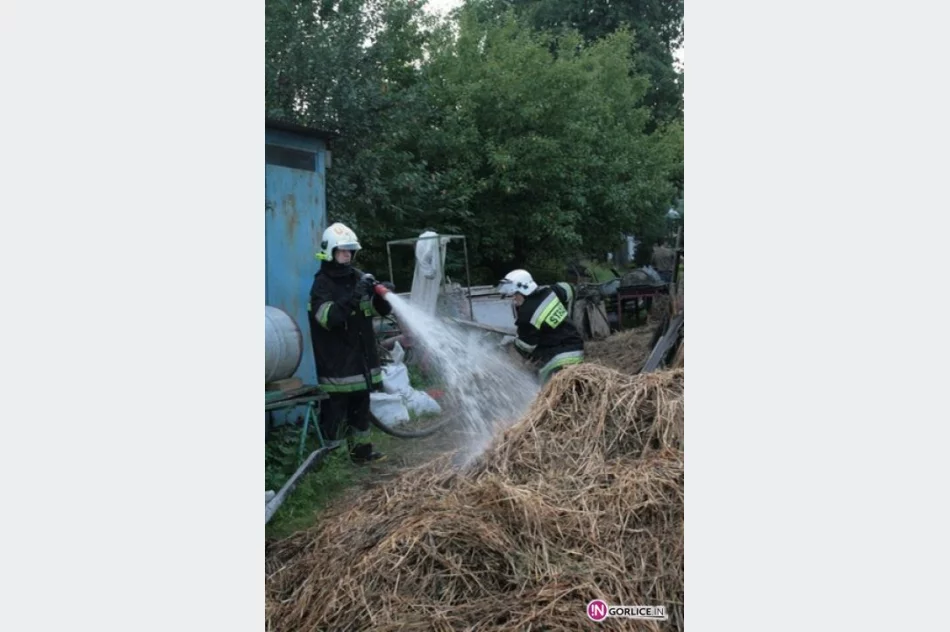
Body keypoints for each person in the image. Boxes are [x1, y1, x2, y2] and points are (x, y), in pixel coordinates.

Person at [307, 222, 392, 463]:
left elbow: (376, 311)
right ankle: (337, 462)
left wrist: (384, 298)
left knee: (361, 411)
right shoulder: (322, 284)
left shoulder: (357, 277)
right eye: (342, 250)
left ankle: (362, 454)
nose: (348, 255)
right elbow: (329, 318)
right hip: (337, 365)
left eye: (350, 251)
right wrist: (353, 297)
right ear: (330, 251)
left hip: (361, 362)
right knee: (335, 415)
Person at [498, 269, 585, 384]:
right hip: (577, 350)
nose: (514, 299)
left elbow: (526, 347)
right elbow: (569, 289)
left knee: (545, 391)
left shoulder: (526, 315)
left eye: (515, 295)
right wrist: (569, 313)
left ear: (524, 290)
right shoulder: (550, 291)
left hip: (556, 360)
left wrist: (511, 342)